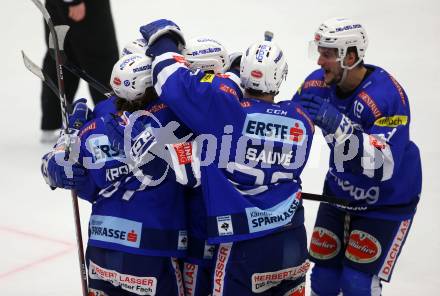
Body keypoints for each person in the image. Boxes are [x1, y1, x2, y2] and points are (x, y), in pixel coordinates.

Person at [138, 19, 315, 295]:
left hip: (243, 243)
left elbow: (171, 82)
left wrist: (164, 41)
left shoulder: (225, 113)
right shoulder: (301, 120)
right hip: (292, 238)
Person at [42, 53, 196, 295]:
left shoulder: (92, 127)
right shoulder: (174, 116)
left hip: (101, 248)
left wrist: (66, 139)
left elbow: (78, 182)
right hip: (152, 248)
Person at [292, 17, 422, 296]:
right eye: (319, 52)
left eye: (327, 54)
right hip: (339, 194)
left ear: (350, 56)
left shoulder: (387, 96)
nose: (318, 62)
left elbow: (383, 165)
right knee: (324, 280)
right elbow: (285, 124)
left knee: (356, 283)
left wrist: (339, 125)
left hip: (386, 201)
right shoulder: (317, 85)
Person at [40, 0, 119, 143]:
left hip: (62, 5)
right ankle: (113, 122)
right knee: (101, 60)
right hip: (82, 7)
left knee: (62, 56)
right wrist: (73, 2)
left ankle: (52, 123)